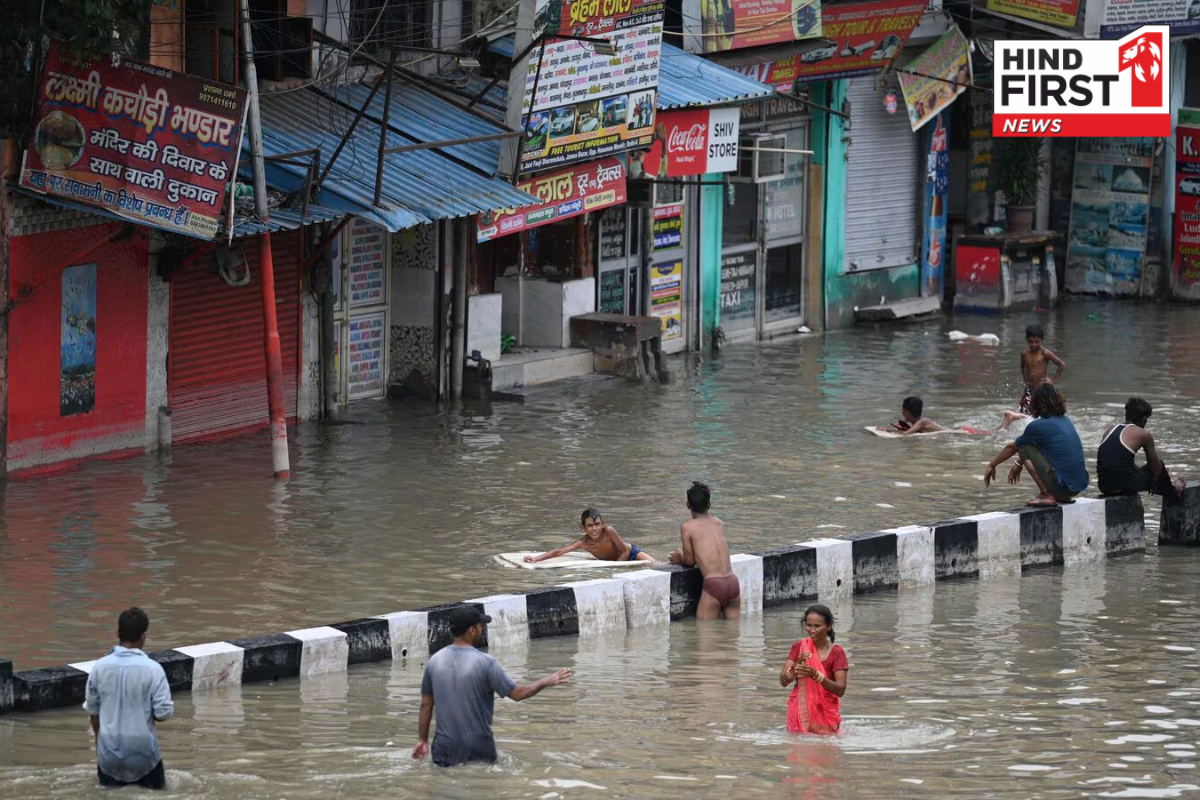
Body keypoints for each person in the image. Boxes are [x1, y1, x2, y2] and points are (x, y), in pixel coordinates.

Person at [413, 606, 571, 767]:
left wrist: (422, 740)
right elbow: (518, 694)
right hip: (478, 748)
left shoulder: (434, 662)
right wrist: (546, 681)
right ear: (471, 630)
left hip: (444, 748)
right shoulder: (486, 663)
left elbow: (426, 705)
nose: (482, 629)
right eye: (480, 626)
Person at [83, 607, 174, 790]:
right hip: (144, 755)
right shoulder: (153, 669)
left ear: (118, 633)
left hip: (108, 756)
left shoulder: (99, 667)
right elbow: (164, 713)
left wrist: (101, 744)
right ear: (143, 637)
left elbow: (94, 712)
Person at [984, 383, 1089, 507]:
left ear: (1036, 403)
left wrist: (992, 465)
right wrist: (1019, 463)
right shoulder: (1066, 420)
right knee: (1029, 446)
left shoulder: (1037, 426)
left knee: (1023, 447)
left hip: (1064, 487)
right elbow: (1040, 449)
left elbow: (1012, 447)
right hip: (1077, 487)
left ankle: (1046, 495)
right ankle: (1059, 495)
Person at [668, 482, 739, 620]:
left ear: (688, 505)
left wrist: (679, 556)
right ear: (709, 504)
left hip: (714, 585)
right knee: (732, 637)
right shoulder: (719, 523)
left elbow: (689, 562)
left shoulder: (687, 527)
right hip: (733, 583)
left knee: (706, 636)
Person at [1097, 397, 1186, 500]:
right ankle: (1175, 492)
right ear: (1144, 419)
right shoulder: (1145, 435)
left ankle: (1164, 485)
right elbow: (1155, 470)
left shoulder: (1110, 430)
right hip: (1124, 487)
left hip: (1103, 486)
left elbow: (1118, 463)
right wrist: (1163, 475)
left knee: (1134, 467)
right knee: (1159, 466)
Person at [779, 604, 848, 735]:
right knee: (798, 749)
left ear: (829, 626)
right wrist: (795, 668)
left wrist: (816, 675)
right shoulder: (799, 646)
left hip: (825, 712)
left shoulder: (837, 652)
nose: (812, 630)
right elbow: (783, 681)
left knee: (824, 751)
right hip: (799, 710)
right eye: (809, 625)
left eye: (817, 626)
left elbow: (840, 689)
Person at [524, 508, 654, 563]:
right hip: (615, 562)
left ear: (602, 524)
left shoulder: (609, 531)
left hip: (632, 554)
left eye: (597, 524)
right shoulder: (583, 543)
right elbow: (560, 551)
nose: (595, 528)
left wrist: (614, 568)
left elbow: (624, 551)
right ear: (583, 528)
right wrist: (537, 559)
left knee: (657, 566)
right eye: (590, 526)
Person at [885, 396, 1026, 435]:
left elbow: (907, 434)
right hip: (957, 431)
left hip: (960, 432)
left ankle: (1007, 419)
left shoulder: (922, 422)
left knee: (993, 434)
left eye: (903, 411)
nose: (902, 414)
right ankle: (1007, 419)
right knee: (990, 433)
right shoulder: (920, 422)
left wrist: (890, 431)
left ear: (907, 412)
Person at [1019, 324, 1066, 413]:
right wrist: (1026, 381)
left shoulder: (1045, 353)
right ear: (1026, 340)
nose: (1033, 344)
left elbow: (1061, 365)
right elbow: (1022, 368)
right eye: (1030, 342)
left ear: (1041, 340)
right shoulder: (1024, 353)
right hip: (1029, 388)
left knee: (1043, 411)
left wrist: (1053, 381)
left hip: (1042, 389)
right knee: (1024, 410)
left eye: (1037, 342)